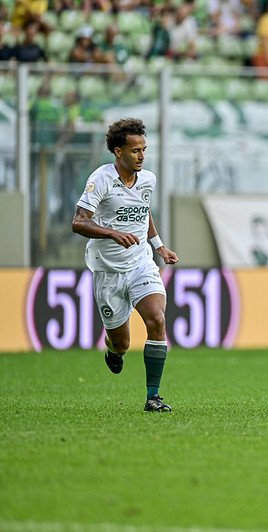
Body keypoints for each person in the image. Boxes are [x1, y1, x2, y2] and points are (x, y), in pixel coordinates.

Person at [71, 118, 179, 413]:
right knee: (122, 343)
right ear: (118, 151)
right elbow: (78, 222)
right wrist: (112, 233)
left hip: (141, 264)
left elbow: (144, 212)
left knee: (156, 319)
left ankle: (153, 396)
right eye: (135, 151)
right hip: (107, 270)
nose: (141, 156)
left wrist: (159, 248)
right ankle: (112, 348)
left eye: (144, 149)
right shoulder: (101, 180)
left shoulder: (148, 179)